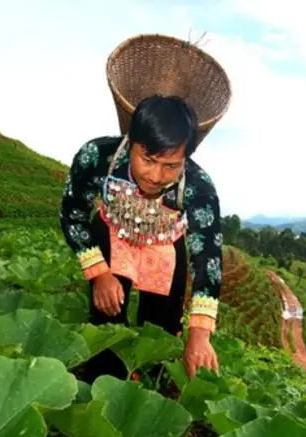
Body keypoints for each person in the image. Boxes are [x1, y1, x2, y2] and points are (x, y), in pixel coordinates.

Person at [59, 94, 222, 382]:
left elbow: (208, 257)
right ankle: (103, 381)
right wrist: (99, 272)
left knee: (161, 331)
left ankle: (149, 380)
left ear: (186, 158)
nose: (156, 176)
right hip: (112, 234)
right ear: (131, 141)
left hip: (165, 247)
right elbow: (72, 213)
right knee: (107, 319)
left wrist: (199, 334)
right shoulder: (98, 156)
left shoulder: (199, 187)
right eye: (148, 160)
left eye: (171, 165)